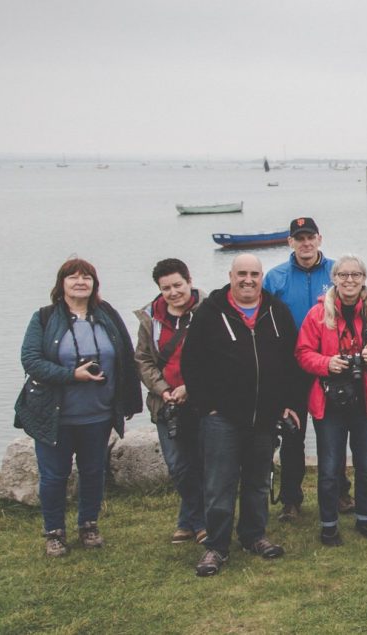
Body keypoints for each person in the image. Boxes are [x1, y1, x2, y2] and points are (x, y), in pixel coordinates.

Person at [182, 254, 308, 576]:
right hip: (221, 417)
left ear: (262, 276)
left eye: (254, 274)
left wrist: (289, 402)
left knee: (258, 484)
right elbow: (191, 363)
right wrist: (204, 405)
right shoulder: (210, 313)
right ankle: (216, 546)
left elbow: (292, 362)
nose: (248, 280)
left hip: (264, 417)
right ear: (231, 275)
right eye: (242, 274)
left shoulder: (276, 312)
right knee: (219, 485)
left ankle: (254, 535)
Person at [17, 258, 141, 556]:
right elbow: (31, 360)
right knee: (54, 476)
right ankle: (54, 533)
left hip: (98, 414)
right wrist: (71, 375)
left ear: (94, 284)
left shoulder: (107, 314)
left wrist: (129, 401)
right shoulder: (45, 318)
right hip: (55, 415)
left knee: (93, 472)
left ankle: (88, 525)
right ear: (61, 284)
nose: (80, 282)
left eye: (87, 277)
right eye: (72, 277)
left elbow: (126, 356)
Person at [295, 255, 367, 545]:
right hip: (329, 401)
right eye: (343, 275)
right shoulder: (317, 314)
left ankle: (365, 518)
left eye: (355, 275)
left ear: (364, 278)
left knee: (366, 465)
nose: (349, 280)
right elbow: (302, 353)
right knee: (329, 467)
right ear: (335, 278)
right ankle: (329, 524)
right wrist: (327, 363)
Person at [262, 216, 340, 521]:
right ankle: (291, 498)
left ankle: (340, 490)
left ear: (319, 239)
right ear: (290, 242)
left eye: (310, 238)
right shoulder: (275, 277)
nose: (305, 244)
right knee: (293, 434)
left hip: (330, 366)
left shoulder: (336, 271)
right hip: (291, 368)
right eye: (299, 238)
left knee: (333, 432)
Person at [132, 258, 207, 544]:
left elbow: (216, 355)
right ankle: (194, 520)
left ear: (189, 280)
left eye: (178, 285)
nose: (174, 292)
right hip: (166, 404)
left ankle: (194, 522)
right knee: (177, 464)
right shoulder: (150, 320)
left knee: (201, 462)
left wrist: (190, 386)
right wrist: (162, 389)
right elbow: (143, 360)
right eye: (166, 288)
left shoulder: (208, 311)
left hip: (200, 400)